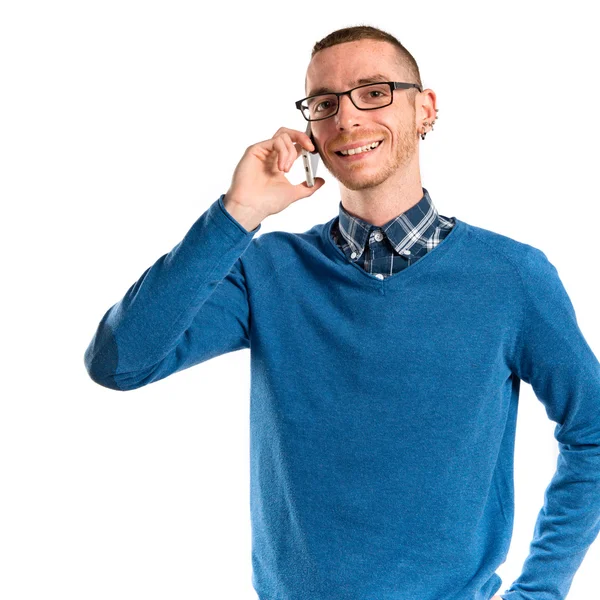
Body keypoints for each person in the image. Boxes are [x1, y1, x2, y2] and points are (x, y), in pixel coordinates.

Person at [84, 24, 600, 600]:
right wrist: (236, 214)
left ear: (424, 109)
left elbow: (593, 430)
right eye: (324, 103)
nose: (347, 118)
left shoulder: (512, 277)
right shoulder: (269, 270)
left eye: (373, 91)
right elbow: (119, 362)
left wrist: (542, 590)